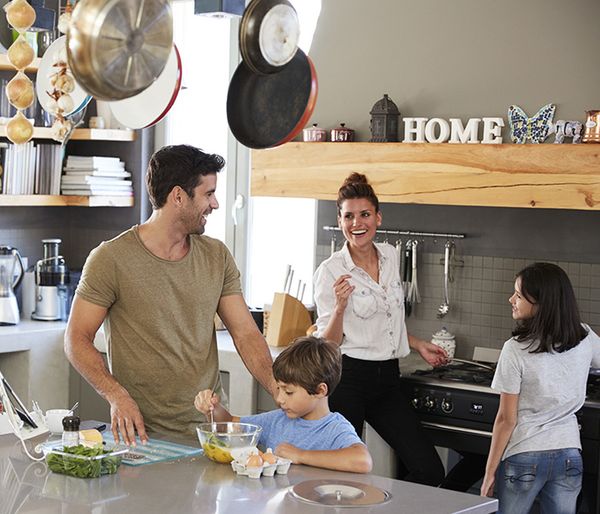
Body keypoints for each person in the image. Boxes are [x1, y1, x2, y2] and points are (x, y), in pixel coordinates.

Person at [65, 144, 277, 445]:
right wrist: (117, 396)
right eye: (208, 193)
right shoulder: (110, 259)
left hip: (207, 432)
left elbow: (245, 332)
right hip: (142, 437)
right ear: (178, 196)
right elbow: (76, 338)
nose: (215, 203)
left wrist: (276, 387)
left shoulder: (217, 256)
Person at [312, 172, 447, 486]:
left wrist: (416, 343)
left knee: (429, 470)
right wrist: (341, 306)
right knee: (343, 476)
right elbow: (328, 345)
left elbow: (385, 319)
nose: (357, 223)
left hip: (388, 378)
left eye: (364, 214)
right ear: (340, 220)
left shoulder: (390, 254)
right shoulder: (330, 270)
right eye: (349, 216)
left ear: (378, 217)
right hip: (348, 379)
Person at [481, 262, 600, 513]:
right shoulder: (585, 337)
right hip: (569, 456)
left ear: (540, 304)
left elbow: (506, 420)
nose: (510, 299)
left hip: (525, 456)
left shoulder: (515, 349)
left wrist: (489, 472)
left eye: (519, 295)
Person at [195, 336, 373, 473]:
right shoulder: (277, 420)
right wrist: (213, 408)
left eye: (289, 392)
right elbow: (231, 425)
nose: (279, 399)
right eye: (278, 389)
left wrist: (301, 455)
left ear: (320, 391)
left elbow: (363, 460)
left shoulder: (335, 428)